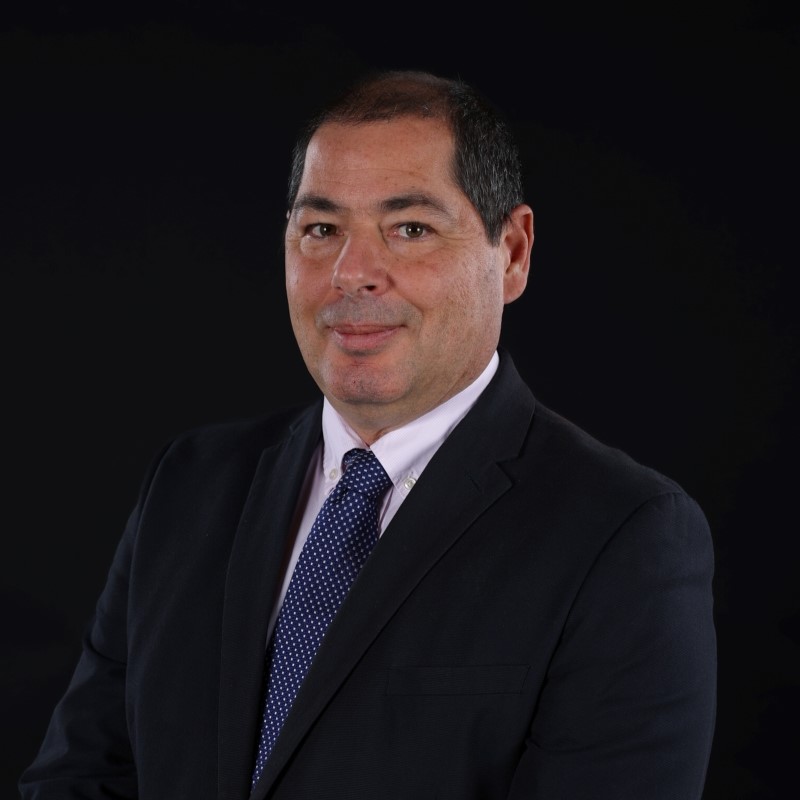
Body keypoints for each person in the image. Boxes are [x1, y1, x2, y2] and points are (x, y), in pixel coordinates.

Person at [19, 70, 717, 799]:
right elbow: (82, 776)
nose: (352, 273)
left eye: (410, 229)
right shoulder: (189, 484)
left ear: (512, 252)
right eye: (321, 230)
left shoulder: (621, 535)